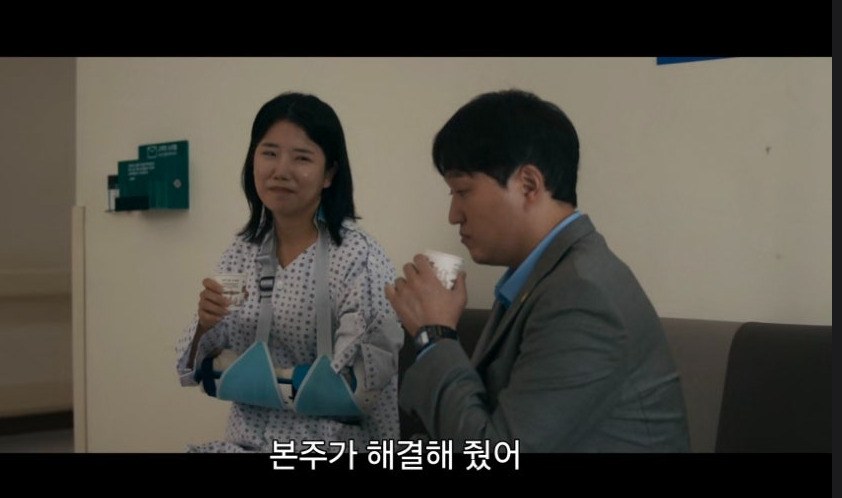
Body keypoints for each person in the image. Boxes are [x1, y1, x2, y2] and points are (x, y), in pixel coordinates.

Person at [385, 89, 691, 452]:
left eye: (463, 191)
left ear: (528, 185)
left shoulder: (582, 296)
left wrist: (433, 335)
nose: (454, 215)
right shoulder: (545, 278)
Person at [176, 92, 402, 453]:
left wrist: (248, 378)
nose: (281, 170)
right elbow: (196, 370)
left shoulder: (359, 257)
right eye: (269, 153)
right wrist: (205, 323)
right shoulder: (243, 252)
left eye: (302, 158)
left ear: (329, 173)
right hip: (244, 443)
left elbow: (355, 387)